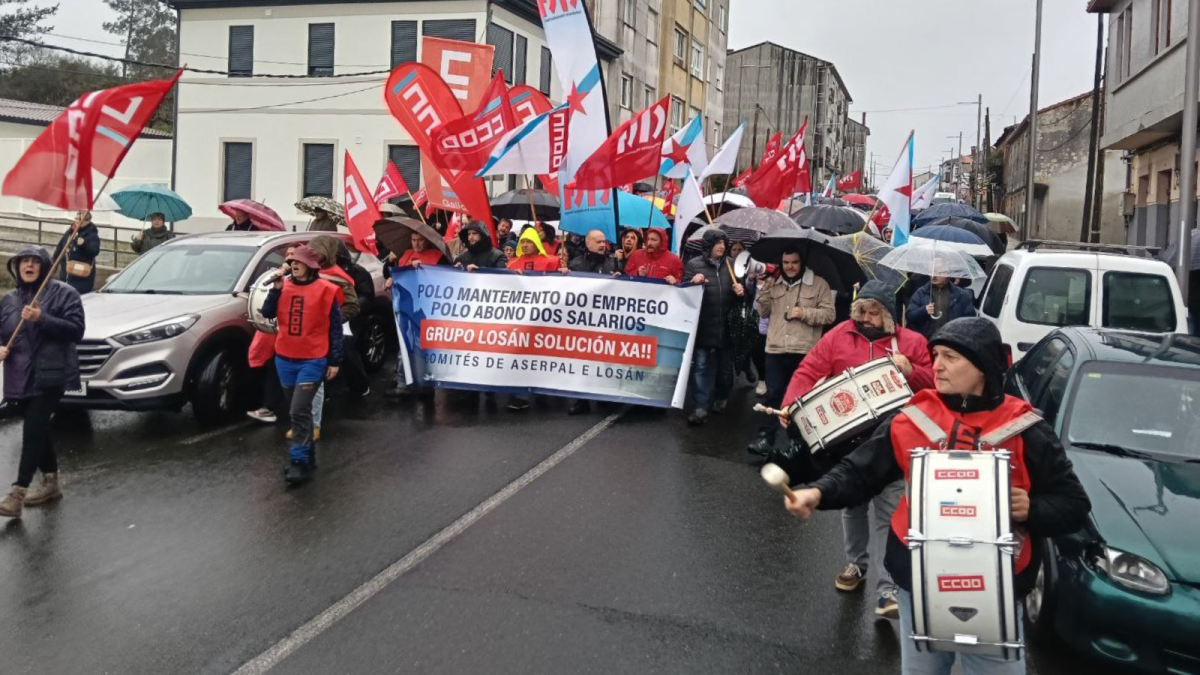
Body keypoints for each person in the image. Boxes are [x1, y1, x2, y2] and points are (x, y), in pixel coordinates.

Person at [784, 318, 1091, 674]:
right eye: (936, 355)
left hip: (995, 590)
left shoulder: (1028, 430)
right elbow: (859, 471)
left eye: (950, 357)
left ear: (983, 368)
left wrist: (1031, 508)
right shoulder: (910, 417)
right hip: (919, 581)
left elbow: (1075, 507)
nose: (937, 366)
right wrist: (818, 492)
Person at [779, 279, 936, 619]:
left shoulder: (913, 342)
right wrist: (790, 403)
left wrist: (913, 371)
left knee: (888, 511)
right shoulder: (838, 335)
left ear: (891, 315)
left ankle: (886, 589)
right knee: (852, 505)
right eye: (860, 310)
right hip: (848, 441)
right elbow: (809, 370)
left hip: (895, 442)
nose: (864, 318)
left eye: (873, 312)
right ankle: (855, 563)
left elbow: (936, 388)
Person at [0, 247, 85, 518]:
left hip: (50, 374)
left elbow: (76, 330)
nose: (28, 266)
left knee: (32, 428)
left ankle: (17, 493)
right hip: (18, 375)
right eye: (23, 261)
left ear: (45, 266)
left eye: (34, 262)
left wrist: (42, 318)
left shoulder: (64, 293)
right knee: (38, 431)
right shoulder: (9, 299)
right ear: (16, 267)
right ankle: (51, 482)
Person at [260, 245, 343, 485]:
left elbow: (335, 329)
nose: (293, 265)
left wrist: (335, 360)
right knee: (300, 411)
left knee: (297, 410)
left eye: (298, 261)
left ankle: (297, 460)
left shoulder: (326, 290)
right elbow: (267, 313)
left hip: (313, 359)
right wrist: (275, 290)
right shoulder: (282, 286)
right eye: (291, 261)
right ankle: (308, 455)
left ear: (311, 265)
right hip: (285, 357)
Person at [746, 250, 835, 456]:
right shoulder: (773, 282)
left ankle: (800, 443)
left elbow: (830, 314)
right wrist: (765, 290)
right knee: (774, 395)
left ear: (801, 263)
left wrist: (804, 313)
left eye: (794, 262)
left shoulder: (819, 283)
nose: (790, 266)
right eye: (786, 262)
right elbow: (763, 312)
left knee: (802, 400)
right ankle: (765, 438)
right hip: (776, 347)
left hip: (805, 350)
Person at [683, 229, 743, 425]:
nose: (722, 246)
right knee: (700, 367)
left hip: (726, 328)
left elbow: (743, 297)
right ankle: (700, 406)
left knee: (725, 371)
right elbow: (684, 294)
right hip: (702, 326)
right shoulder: (694, 265)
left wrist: (741, 291)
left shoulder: (732, 265)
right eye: (717, 243)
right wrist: (692, 283)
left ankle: (721, 395)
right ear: (708, 245)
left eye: (724, 243)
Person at [564, 230, 618, 416]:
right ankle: (582, 399)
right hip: (584, 321)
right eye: (598, 241)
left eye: (604, 241)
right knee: (583, 360)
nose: (602, 244)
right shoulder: (577, 264)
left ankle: (605, 395)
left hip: (606, 321)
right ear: (587, 244)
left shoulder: (613, 262)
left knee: (606, 358)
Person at [310, 236, 369, 399]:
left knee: (348, 355)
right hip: (320, 327)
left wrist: (334, 318)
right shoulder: (313, 272)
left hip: (344, 323)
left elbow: (360, 300)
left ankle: (360, 387)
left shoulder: (351, 272)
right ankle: (324, 393)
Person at [905, 275, 977, 339]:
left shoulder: (960, 295)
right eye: (932, 272)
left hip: (950, 341)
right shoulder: (921, 292)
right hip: (925, 341)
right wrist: (923, 310)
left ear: (947, 274)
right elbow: (909, 316)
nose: (934, 276)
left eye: (938, 273)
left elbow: (970, 321)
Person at [54, 210, 101, 295]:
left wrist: (83, 244)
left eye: (80, 220)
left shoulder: (92, 235)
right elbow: (60, 248)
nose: (77, 221)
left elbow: (94, 251)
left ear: (87, 221)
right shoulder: (70, 232)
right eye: (76, 218)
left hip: (82, 279)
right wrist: (53, 264)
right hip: (66, 276)